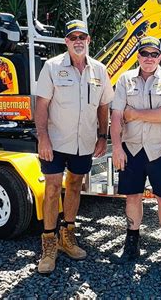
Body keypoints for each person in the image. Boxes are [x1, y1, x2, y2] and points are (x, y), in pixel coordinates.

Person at [35, 19, 114, 274]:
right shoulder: (52, 67)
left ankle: (68, 236)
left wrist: (103, 136)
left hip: (84, 141)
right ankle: (49, 244)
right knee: (52, 188)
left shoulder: (100, 71)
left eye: (82, 37)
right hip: (56, 142)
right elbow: (42, 104)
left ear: (89, 40)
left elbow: (104, 106)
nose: (78, 41)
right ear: (66, 42)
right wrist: (43, 137)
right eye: (73, 37)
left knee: (75, 184)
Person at [110, 36, 161, 271]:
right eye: (144, 54)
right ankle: (132, 244)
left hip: (160, 148)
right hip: (131, 149)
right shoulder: (124, 79)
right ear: (137, 55)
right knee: (132, 196)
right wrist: (117, 147)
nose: (148, 58)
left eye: (154, 54)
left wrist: (135, 113)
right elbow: (117, 115)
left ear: (160, 56)